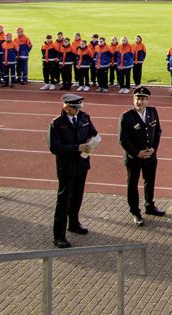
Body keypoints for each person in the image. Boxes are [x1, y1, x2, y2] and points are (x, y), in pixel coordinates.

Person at [49, 93, 99, 248]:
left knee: (78, 195)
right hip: (67, 166)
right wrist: (76, 147)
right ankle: (59, 235)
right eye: (74, 107)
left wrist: (93, 141)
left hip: (82, 163)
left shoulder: (84, 117)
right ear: (65, 106)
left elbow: (93, 132)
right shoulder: (57, 124)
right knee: (64, 200)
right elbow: (55, 147)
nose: (77, 110)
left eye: (78, 107)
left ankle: (74, 223)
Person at [118, 87, 163, 226]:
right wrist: (137, 153)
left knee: (149, 182)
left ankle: (149, 205)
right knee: (132, 185)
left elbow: (157, 132)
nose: (140, 101)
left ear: (147, 101)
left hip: (150, 157)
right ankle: (135, 212)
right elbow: (123, 140)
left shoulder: (152, 112)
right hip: (134, 158)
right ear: (133, 99)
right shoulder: (126, 116)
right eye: (137, 98)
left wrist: (153, 149)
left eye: (143, 99)